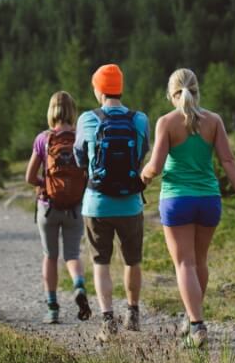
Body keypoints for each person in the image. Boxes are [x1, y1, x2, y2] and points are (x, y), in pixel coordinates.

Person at [140, 68, 235, 349]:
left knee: (184, 264)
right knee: (199, 261)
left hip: (177, 199)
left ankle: (197, 326)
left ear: (170, 94)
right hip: (208, 199)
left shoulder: (166, 122)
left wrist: (143, 175)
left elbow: (157, 166)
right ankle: (191, 319)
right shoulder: (213, 121)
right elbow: (228, 161)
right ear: (197, 90)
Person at [75, 64, 150, 342]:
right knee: (133, 260)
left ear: (99, 90)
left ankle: (108, 321)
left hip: (96, 204)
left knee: (100, 262)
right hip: (130, 203)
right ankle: (133, 314)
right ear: (120, 87)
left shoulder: (86, 120)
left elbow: (80, 158)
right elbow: (142, 154)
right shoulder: (140, 119)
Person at [24, 91, 93, 325]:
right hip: (75, 207)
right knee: (72, 254)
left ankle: (52, 308)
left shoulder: (43, 139)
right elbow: (88, 172)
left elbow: (29, 177)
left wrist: (46, 184)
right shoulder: (80, 137)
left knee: (50, 256)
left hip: (48, 206)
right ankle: (79, 285)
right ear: (72, 111)